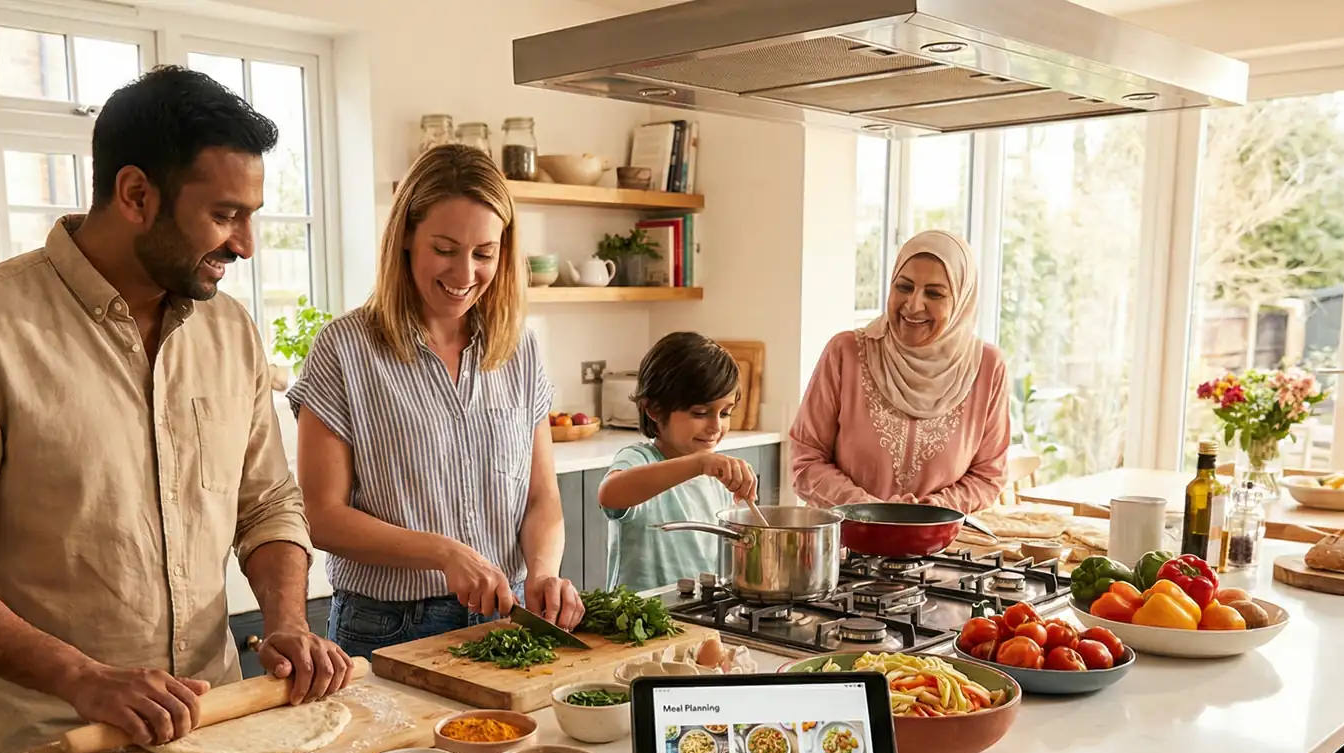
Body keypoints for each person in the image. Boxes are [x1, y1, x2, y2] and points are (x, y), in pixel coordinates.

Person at [0, 67, 351, 753]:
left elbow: (267, 502)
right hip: (58, 747)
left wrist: (288, 622)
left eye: (251, 215)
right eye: (224, 214)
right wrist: (83, 678)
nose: (245, 244)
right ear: (135, 194)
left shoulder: (230, 331)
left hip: (221, 725)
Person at [290, 145, 583, 658]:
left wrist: (543, 572)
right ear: (405, 237)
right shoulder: (345, 348)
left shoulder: (520, 347)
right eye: (445, 249)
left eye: (484, 253)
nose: (465, 273)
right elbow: (322, 516)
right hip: (388, 626)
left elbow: (543, 498)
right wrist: (443, 553)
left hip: (504, 619)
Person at [789, 229, 1010, 511]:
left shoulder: (988, 368)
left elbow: (988, 474)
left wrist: (928, 514)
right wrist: (870, 512)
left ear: (961, 303)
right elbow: (806, 458)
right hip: (845, 542)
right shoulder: (845, 352)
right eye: (904, 287)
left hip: (941, 548)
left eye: (934, 293)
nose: (914, 305)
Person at [597, 332, 757, 590]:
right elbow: (610, 494)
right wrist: (698, 464)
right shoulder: (639, 459)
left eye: (725, 413)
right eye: (700, 413)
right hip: (640, 618)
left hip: (697, 615)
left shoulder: (716, 476)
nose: (716, 426)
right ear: (654, 409)